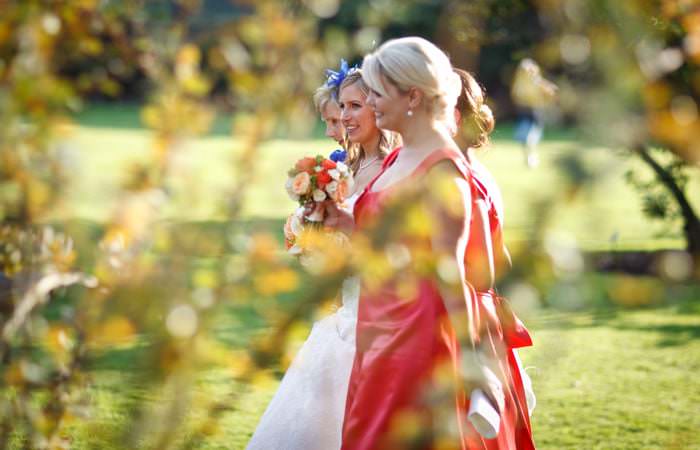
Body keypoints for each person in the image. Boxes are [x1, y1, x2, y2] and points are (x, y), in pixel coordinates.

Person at [325, 37, 536, 449]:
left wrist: (475, 365)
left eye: (378, 93)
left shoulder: (443, 171)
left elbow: (451, 274)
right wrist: (345, 221)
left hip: (417, 336)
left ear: (413, 96)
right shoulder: (396, 157)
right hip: (377, 326)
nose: (371, 102)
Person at [246, 61, 397, 450]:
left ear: (381, 106)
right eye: (341, 107)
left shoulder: (394, 169)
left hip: (380, 308)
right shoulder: (346, 166)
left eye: (354, 106)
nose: (344, 117)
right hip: (343, 303)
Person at [453, 68, 536, 416]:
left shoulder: (460, 178)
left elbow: (483, 268)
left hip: (466, 322)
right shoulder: (478, 171)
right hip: (484, 316)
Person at [511, 58, 557, 168]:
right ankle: (528, 157)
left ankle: (531, 157)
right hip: (523, 113)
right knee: (523, 138)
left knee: (530, 137)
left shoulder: (536, 81)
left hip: (535, 113)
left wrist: (545, 94)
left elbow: (552, 90)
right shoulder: (519, 83)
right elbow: (515, 96)